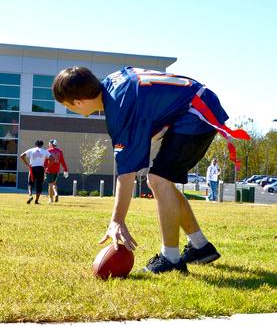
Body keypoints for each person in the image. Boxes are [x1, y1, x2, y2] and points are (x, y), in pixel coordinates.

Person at [52, 66, 250, 274]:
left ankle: (170, 258)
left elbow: (126, 175)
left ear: (78, 102)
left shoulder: (119, 109)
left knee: (158, 180)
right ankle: (200, 247)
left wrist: (117, 221)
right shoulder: (113, 83)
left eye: (67, 106)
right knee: (158, 180)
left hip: (196, 111)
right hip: (195, 105)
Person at [20, 140, 53, 205]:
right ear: (42, 145)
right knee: (39, 184)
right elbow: (52, 159)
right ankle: (36, 201)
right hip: (41, 168)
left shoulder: (31, 150)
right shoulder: (45, 151)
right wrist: (47, 166)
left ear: (35, 144)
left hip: (32, 168)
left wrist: (27, 164)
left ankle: (30, 195)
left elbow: (21, 156)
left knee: (30, 183)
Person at [44, 139, 69, 203]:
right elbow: (62, 161)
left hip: (49, 170)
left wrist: (44, 169)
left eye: (49, 143)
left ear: (51, 144)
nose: (48, 144)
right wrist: (65, 170)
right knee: (54, 183)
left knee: (50, 184)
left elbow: (45, 162)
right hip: (57, 170)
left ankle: (51, 199)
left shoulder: (47, 151)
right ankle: (56, 193)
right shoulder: (60, 151)